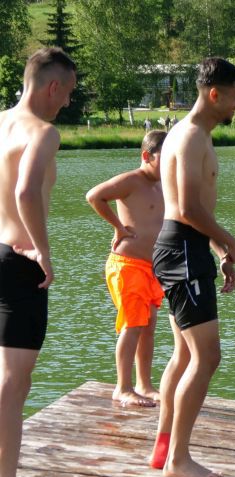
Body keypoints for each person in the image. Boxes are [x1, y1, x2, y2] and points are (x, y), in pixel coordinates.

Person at [149, 57, 235, 477]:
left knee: (185, 354)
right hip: (183, 251)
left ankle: (164, 448)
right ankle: (178, 462)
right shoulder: (190, 138)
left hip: (186, 249)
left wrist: (215, 250)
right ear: (214, 94)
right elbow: (187, 209)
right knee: (207, 356)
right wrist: (229, 241)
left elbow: (189, 211)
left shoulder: (188, 135)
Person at [0, 47, 77, 477]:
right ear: (52, 87)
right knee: (12, 385)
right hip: (20, 263)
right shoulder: (44, 132)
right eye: (68, 93)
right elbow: (27, 192)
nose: (67, 102)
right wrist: (42, 250)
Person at [86, 130, 167, 408]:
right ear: (147, 156)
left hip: (151, 267)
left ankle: (144, 384)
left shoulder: (164, 184)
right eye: (164, 158)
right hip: (127, 265)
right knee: (133, 325)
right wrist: (118, 227)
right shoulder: (132, 180)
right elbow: (94, 196)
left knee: (149, 326)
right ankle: (123, 388)